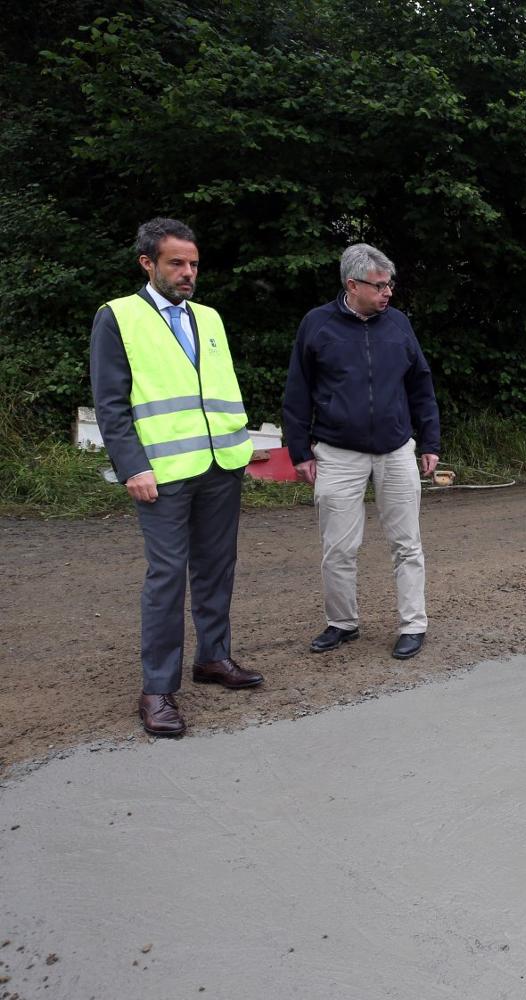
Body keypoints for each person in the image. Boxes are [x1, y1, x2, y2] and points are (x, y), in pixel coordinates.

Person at [90, 218, 263, 738]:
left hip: (220, 466)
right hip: (160, 474)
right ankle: (157, 689)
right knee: (167, 576)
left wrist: (240, 450)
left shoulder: (208, 317)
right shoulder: (118, 317)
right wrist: (132, 466)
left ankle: (213, 657)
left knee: (217, 567)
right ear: (148, 263)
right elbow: (110, 403)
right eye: (176, 263)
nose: (188, 272)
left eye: (193, 264)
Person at [283, 244, 441, 660]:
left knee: (407, 544)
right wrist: (299, 451)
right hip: (337, 453)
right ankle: (342, 622)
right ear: (352, 285)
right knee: (338, 547)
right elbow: (297, 392)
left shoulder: (399, 324)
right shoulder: (317, 325)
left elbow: (420, 385)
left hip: (396, 450)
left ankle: (413, 624)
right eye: (379, 285)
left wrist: (430, 442)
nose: (388, 292)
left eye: (390, 284)